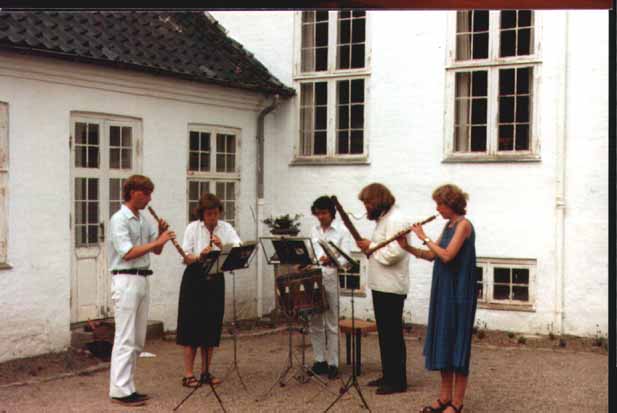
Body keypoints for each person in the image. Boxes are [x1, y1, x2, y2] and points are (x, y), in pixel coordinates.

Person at [396, 184, 476, 413]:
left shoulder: (464, 226)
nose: (437, 209)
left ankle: (457, 404)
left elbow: (448, 255)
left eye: (439, 204)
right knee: (444, 339)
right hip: (444, 289)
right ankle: (444, 398)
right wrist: (408, 246)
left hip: (459, 291)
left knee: (457, 342)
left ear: (450, 204)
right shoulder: (448, 225)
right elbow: (432, 255)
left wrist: (423, 236)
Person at [108, 174, 175, 407]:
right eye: (146, 193)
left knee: (137, 339)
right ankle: (119, 390)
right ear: (133, 192)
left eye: (149, 193)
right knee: (124, 337)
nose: (149, 198)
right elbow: (127, 252)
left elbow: (153, 252)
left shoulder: (143, 219)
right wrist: (157, 242)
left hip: (142, 279)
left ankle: (129, 387)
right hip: (125, 280)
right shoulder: (119, 219)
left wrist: (160, 236)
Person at [176, 193, 241, 388]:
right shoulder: (192, 228)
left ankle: (205, 372)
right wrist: (199, 255)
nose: (212, 218)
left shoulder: (226, 227)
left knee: (211, 326)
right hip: (194, 279)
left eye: (215, 214)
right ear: (202, 214)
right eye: (208, 214)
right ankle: (188, 374)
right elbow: (185, 256)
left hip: (215, 278)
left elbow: (238, 247)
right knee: (191, 326)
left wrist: (225, 247)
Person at [355, 183, 410, 395]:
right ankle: (389, 375)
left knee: (392, 334)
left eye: (367, 202)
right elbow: (382, 247)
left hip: (391, 286)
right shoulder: (385, 218)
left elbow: (395, 253)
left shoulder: (396, 219)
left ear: (378, 200)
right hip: (382, 284)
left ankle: (397, 382)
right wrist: (370, 246)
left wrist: (369, 246)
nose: (366, 207)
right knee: (385, 334)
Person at [308, 195, 353, 380]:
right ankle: (320, 361)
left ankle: (333, 363)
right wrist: (307, 262)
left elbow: (347, 260)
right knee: (314, 321)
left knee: (332, 322)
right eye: (318, 214)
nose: (321, 217)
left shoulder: (342, 231)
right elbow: (311, 253)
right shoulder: (314, 229)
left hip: (330, 277)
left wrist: (333, 259)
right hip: (314, 278)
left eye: (324, 213)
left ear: (332, 212)